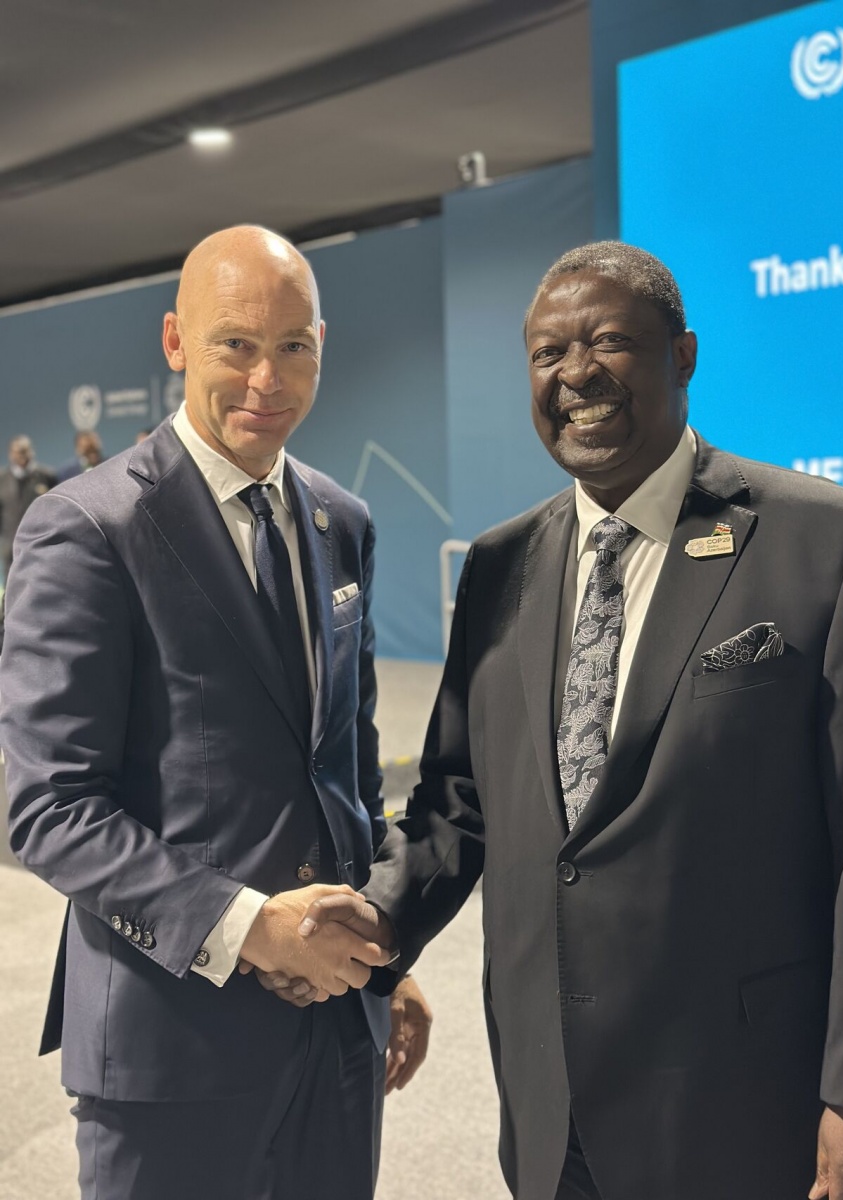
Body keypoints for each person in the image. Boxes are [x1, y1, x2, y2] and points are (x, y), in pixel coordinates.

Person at [286, 242, 843, 1200]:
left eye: (609, 341)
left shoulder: (828, 539)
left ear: (682, 355)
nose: (575, 374)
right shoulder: (500, 566)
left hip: (743, 1100)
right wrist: (378, 914)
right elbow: (460, 798)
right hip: (552, 1098)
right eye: (547, 353)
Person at [1, 225, 430, 1200]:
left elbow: (348, 772)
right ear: (175, 341)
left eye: (293, 346)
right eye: (236, 343)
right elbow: (51, 809)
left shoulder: (342, 521)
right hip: (173, 1043)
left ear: (322, 346)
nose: (266, 380)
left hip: (338, 1033)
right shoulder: (87, 529)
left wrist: (383, 958)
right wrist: (251, 928)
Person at [0, 436, 56, 580]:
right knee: (12, 586)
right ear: (10, 454)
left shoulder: (47, 476)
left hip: (40, 542)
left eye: (25, 451)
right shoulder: (2, 479)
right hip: (10, 546)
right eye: (18, 452)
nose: (22, 456)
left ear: (32, 452)